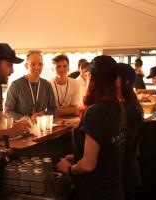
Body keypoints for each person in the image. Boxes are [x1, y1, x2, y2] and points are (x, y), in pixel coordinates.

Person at [56, 55, 125, 200]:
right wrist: (78, 155)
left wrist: (69, 169)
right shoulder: (113, 107)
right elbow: (105, 149)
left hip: (96, 192)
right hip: (112, 190)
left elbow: (88, 164)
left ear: (92, 78)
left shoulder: (95, 112)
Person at [5, 50, 56, 121]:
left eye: (40, 64)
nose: (37, 67)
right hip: (21, 127)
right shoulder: (16, 85)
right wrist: (27, 119)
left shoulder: (47, 85)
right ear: (26, 66)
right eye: (33, 64)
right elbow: (8, 111)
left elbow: (53, 108)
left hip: (41, 126)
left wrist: (43, 116)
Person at [118, 63, 143, 200]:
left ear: (126, 81)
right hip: (123, 172)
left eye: (114, 78)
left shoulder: (131, 109)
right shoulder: (124, 105)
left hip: (127, 174)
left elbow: (125, 145)